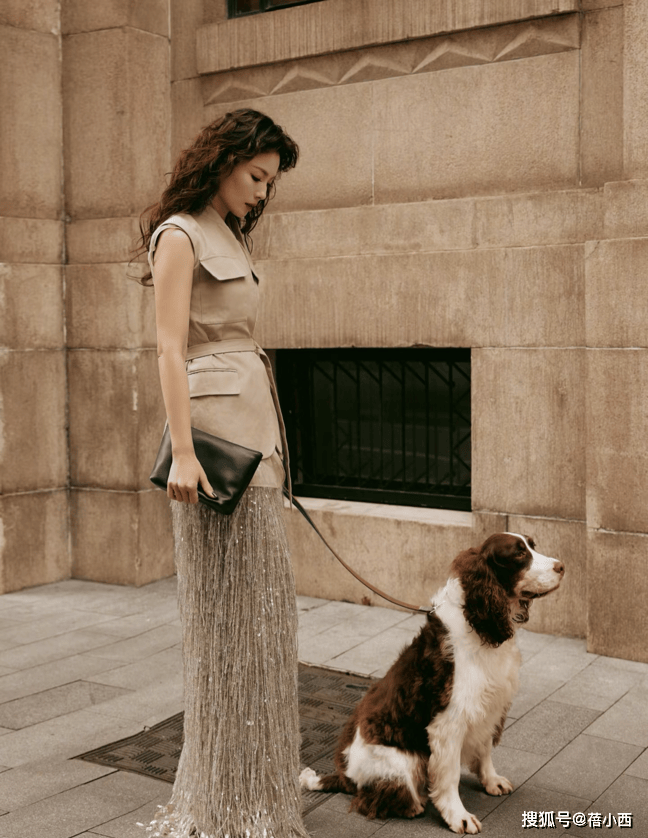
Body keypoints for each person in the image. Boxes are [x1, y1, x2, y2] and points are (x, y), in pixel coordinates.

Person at [138, 108, 308, 838]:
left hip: (256, 438)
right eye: (257, 176)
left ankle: (256, 791)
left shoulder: (228, 234)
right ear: (223, 161)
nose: (262, 192)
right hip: (213, 450)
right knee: (226, 625)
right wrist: (181, 451)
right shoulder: (180, 234)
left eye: (270, 182)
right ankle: (222, 801)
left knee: (263, 620)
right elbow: (169, 348)